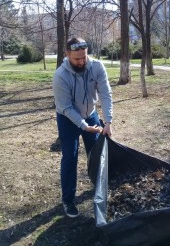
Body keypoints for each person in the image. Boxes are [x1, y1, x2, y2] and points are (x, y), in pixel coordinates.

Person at [52, 37, 113, 218]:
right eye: (76, 58)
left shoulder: (97, 67)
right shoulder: (60, 76)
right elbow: (66, 107)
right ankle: (68, 200)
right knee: (69, 157)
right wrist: (84, 126)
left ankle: (99, 189)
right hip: (67, 118)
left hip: (91, 113)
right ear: (67, 55)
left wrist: (108, 121)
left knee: (96, 153)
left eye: (84, 57)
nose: (81, 61)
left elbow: (105, 94)